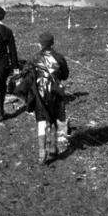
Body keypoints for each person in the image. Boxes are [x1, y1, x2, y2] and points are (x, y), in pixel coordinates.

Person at [30, 32, 69, 164]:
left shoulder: (35, 58)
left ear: (40, 44)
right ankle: (53, 147)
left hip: (40, 93)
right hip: (55, 92)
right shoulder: (59, 57)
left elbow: (28, 74)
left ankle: (42, 152)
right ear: (52, 43)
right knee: (54, 119)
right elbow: (65, 75)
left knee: (41, 121)